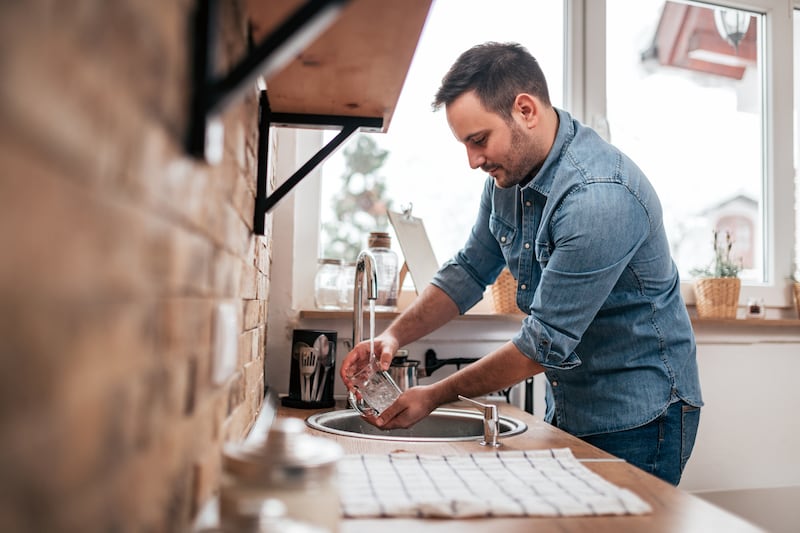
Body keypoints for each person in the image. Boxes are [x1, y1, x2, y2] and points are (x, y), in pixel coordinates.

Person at [340, 42, 703, 486]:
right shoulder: (510, 177)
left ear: (525, 110)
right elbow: (470, 270)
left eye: (478, 140)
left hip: (640, 416)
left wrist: (434, 395)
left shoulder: (598, 197)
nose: (473, 160)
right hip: (572, 403)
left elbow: (540, 345)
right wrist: (391, 337)